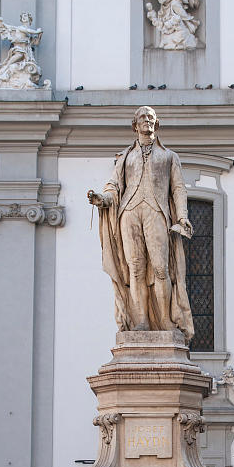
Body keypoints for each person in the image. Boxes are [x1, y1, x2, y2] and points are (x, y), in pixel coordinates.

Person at [87, 106, 194, 341]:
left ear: (157, 124)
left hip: (157, 212)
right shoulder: (126, 157)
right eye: (142, 118)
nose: (147, 120)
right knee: (135, 269)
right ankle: (141, 321)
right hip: (129, 211)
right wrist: (102, 199)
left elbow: (178, 188)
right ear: (135, 125)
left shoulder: (169, 156)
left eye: (151, 117)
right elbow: (114, 186)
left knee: (160, 268)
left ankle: (165, 320)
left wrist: (182, 216)